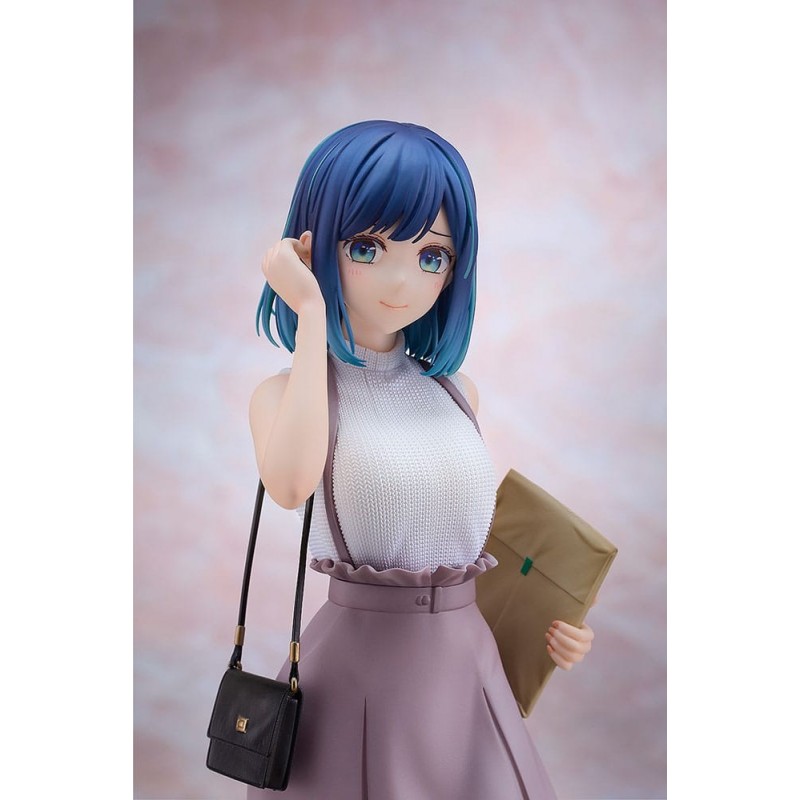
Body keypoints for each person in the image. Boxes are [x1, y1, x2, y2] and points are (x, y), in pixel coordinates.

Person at [247, 120, 594, 799]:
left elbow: (458, 542)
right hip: (358, 673)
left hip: (468, 672)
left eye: (432, 255)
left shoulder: (456, 393)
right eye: (367, 247)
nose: (402, 280)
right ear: (313, 246)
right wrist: (311, 312)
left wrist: (544, 627)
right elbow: (289, 486)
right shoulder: (285, 394)